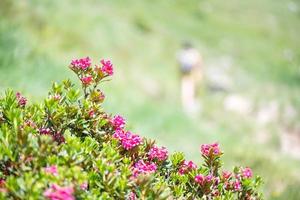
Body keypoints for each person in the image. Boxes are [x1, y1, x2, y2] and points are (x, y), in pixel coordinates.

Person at [177, 42, 203, 113]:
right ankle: (188, 109)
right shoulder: (185, 54)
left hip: (192, 76)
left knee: (192, 92)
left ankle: (191, 109)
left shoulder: (193, 54)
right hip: (187, 76)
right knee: (187, 92)